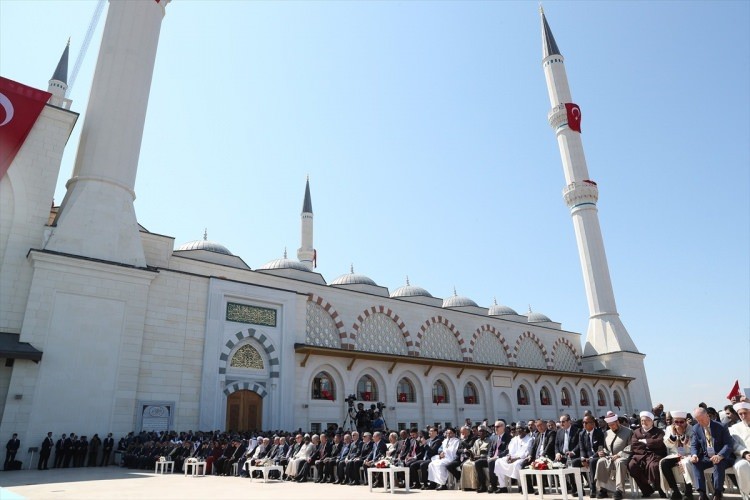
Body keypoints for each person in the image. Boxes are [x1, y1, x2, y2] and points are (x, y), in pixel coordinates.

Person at [690, 406, 736, 500]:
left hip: (722, 457)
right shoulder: (696, 428)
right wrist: (694, 455)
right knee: (696, 463)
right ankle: (702, 493)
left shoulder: (721, 427)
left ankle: (717, 493)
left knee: (718, 463)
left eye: (702, 419)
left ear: (707, 416)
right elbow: (694, 445)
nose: (700, 422)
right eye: (697, 420)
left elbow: (728, 444)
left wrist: (720, 455)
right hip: (707, 457)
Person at [628, 411, 668, 498]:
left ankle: (661, 489)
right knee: (632, 465)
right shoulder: (636, 432)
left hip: (655, 454)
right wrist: (649, 444)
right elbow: (634, 444)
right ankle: (646, 490)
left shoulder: (659, 431)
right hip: (640, 455)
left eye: (646, 420)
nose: (644, 422)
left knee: (654, 466)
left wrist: (645, 442)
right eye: (642, 421)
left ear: (652, 421)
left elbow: (659, 443)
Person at [595, 411, 633, 500]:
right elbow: (604, 447)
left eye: (613, 425)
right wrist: (602, 452)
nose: (611, 427)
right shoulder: (607, 433)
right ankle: (602, 489)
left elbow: (631, 447)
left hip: (623, 456)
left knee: (619, 462)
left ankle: (619, 490)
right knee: (601, 461)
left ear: (617, 422)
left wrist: (619, 454)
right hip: (610, 457)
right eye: (609, 425)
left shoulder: (628, 431)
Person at [659, 410, 696, 500]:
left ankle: (688, 492)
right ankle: (675, 491)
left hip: (688, 454)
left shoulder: (691, 428)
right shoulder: (669, 428)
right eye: (676, 422)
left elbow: (692, 444)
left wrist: (682, 434)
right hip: (675, 454)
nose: (679, 424)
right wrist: (674, 435)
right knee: (663, 463)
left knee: (683, 463)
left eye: (681, 422)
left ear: (685, 421)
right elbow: (667, 444)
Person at [494, 424, 533, 493]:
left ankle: (521, 486)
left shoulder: (529, 439)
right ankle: (503, 487)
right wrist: (509, 456)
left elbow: (527, 452)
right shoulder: (514, 439)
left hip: (522, 458)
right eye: (517, 429)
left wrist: (516, 459)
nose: (518, 430)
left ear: (524, 429)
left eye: (520, 428)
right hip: (512, 458)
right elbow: (510, 450)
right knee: (498, 461)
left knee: (517, 465)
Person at [476, 420, 511, 493]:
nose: (495, 428)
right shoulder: (494, 437)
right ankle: (483, 485)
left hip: (501, 459)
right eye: (495, 427)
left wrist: (496, 457)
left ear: (503, 427)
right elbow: (491, 449)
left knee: (491, 463)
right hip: (492, 458)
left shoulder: (508, 437)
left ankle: (493, 485)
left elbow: (507, 451)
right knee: (478, 463)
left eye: (497, 427)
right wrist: (489, 456)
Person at [575, 414, 606, 497]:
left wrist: (591, 458)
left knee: (592, 461)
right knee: (574, 463)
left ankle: (593, 487)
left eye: (586, 422)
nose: (584, 424)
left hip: (597, 456)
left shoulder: (599, 433)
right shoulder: (581, 433)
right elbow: (582, 449)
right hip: (586, 457)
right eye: (583, 422)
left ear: (592, 424)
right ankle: (578, 488)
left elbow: (600, 448)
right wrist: (583, 459)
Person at [427, 426, 460, 490]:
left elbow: (454, 451)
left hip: (451, 458)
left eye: (450, 433)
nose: (448, 434)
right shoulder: (445, 440)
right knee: (431, 464)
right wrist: (440, 453)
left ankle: (443, 484)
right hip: (444, 458)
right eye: (447, 433)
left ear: (454, 434)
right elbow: (440, 449)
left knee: (440, 465)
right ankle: (434, 482)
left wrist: (446, 452)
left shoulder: (456, 441)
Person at [460, 424, 491, 491]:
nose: (481, 433)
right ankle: (468, 486)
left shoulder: (489, 441)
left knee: (475, 464)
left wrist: (479, 457)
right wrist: (470, 453)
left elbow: (490, 453)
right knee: (465, 465)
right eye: (480, 431)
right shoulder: (477, 441)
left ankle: (479, 485)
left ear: (486, 432)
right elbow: (472, 449)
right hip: (475, 458)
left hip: (484, 459)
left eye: (483, 431)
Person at [730, 401, 750, 497]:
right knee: (740, 466)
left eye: (745, 413)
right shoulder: (734, 428)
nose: (742, 415)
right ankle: (747, 494)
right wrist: (745, 453)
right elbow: (734, 444)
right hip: (743, 456)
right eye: (740, 414)